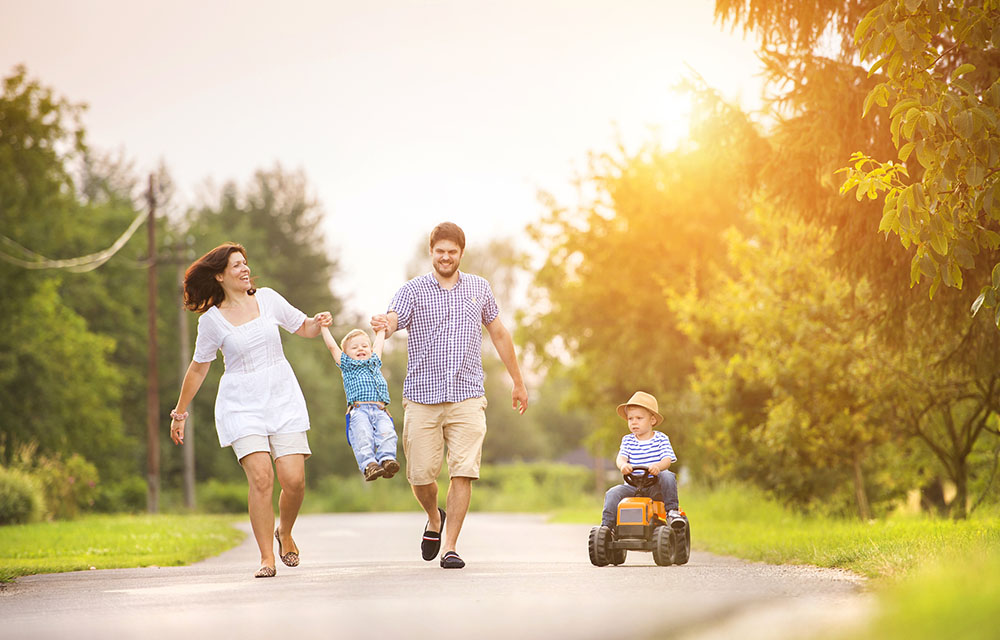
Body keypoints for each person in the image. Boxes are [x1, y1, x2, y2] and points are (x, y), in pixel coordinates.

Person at [168, 242, 331, 579]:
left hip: (282, 396)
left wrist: (318, 321)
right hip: (241, 404)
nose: (245, 269)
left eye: (245, 263)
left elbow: (304, 327)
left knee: (294, 480)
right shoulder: (211, 321)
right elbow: (199, 368)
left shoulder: (268, 299)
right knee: (261, 479)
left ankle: (284, 531)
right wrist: (180, 413)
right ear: (220, 275)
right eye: (237, 265)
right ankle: (267, 558)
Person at [371, 222, 528, 569]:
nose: (445, 257)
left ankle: (451, 547)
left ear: (460, 253)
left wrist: (517, 381)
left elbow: (499, 334)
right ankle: (434, 517)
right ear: (432, 252)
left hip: (467, 394)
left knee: (463, 470)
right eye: (439, 251)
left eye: (451, 252)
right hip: (422, 397)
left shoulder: (479, 288)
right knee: (421, 475)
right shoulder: (412, 290)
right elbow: (394, 320)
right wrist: (385, 323)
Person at [319, 324, 399, 481]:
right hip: (359, 409)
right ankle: (369, 465)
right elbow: (332, 347)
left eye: (364, 346)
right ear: (346, 354)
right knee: (362, 437)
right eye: (354, 347)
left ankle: (387, 460)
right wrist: (324, 327)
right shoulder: (348, 365)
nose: (360, 349)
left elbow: (379, 344)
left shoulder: (374, 361)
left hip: (381, 410)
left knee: (387, 434)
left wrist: (381, 330)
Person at [600, 391, 680, 530]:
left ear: (652, 420)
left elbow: (667, 459)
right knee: (612, 493)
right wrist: (623, 465)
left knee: (668, 475)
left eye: (639, 418)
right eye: (630, 419)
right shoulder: (628, 440)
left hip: (655, 487)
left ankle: (672, 512)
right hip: (632, 486)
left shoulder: (661, 438)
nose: (634, 422)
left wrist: (658, 466)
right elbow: (621, 457)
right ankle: (607, 527)